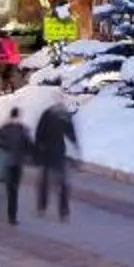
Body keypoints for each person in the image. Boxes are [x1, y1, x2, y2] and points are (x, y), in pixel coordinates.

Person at [31, 92, 79, 222]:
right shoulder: (63, 115)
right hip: (56, 152)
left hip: (48, 152)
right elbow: (71, 134)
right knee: (60, 183)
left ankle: (43, 207)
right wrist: (76, 147)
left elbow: (39, 134)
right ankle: (63, 211)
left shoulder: (48, 113)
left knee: (45, 182)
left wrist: (37, 151)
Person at [0, 105, 34, 225]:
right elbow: (30, 147)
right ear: (19, 116)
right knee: (14, 190)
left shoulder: (4, 128)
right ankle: (12, 216)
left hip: (5, 162)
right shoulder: (23, 130)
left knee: (5, 187)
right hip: (17, 164)